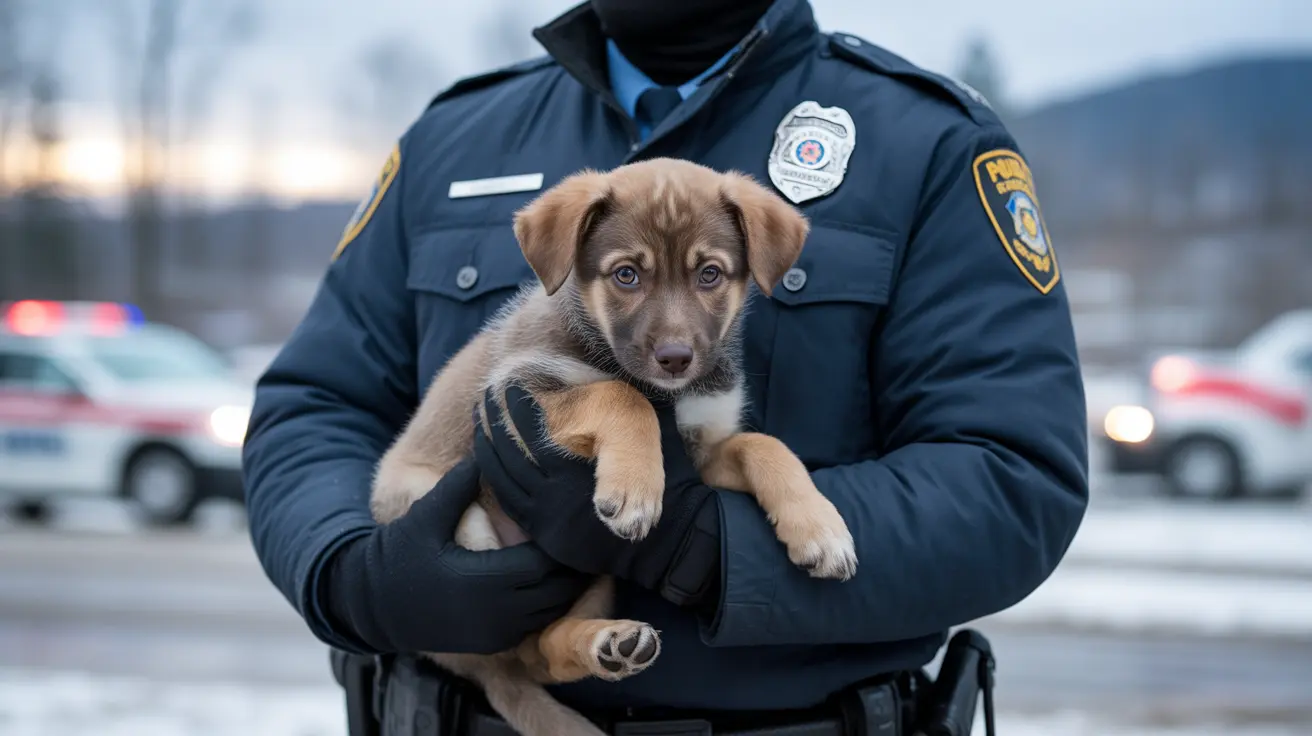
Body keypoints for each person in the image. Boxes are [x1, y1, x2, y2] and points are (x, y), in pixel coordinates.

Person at [241, 0, 1090, 733]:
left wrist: (712, 546)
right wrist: (354, 574)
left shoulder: (924, 143)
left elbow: (1012, 479)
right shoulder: (454, 137)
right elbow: (315, 405)